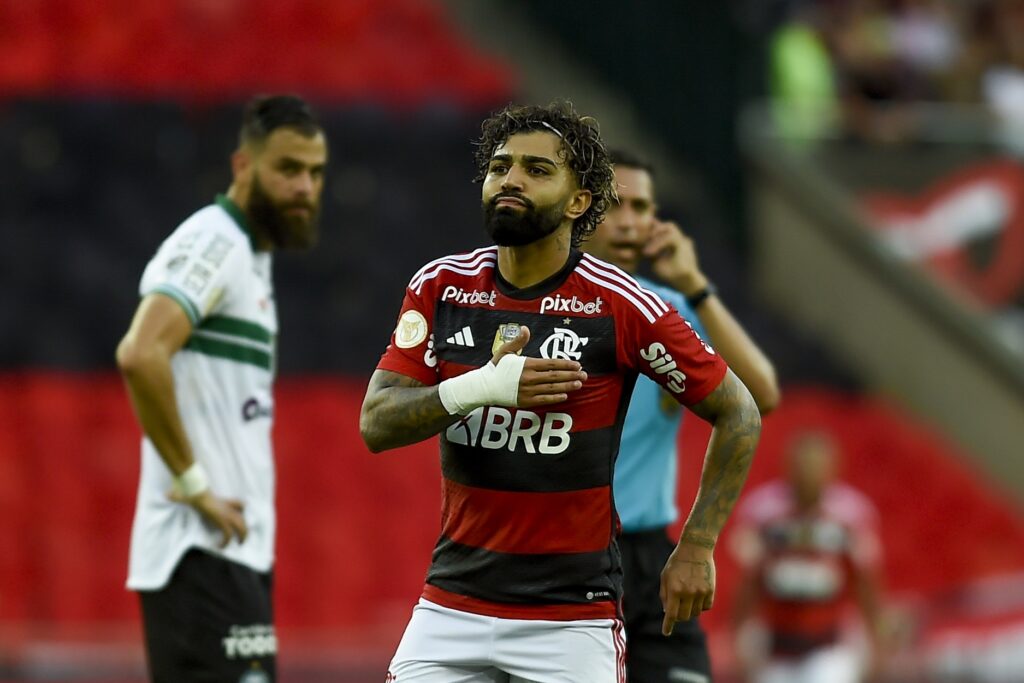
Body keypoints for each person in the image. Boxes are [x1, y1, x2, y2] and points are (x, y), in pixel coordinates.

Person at [360, 101, 762, 683]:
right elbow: (376, 423)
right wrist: (482, 387)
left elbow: (740, 412)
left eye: (537, 169)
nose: (511, 179)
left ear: (579, 202)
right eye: (500, 167)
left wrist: (697, 546)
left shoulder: (621, 304)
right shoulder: (441, 286)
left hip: (571, 621)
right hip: (452, 607)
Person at [116, 95, 327, 683]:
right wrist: (193, 485)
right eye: (288, 169)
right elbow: (140, 353)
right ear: (243, 166)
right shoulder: (214, 244)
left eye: (315, 173)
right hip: (199, 551)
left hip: (231, 550)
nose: (305, 188)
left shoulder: (251, 258)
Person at [582, 149, 781, 683]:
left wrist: (695, 285)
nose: (629, 221)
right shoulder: (549, 308)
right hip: (568, 552)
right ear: (579, 209)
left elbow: (759, 394)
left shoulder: (670, 313)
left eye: (642, 206)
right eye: (614, 205)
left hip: (648, 558)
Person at [730, 432, 884, 683]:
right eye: (803, 467)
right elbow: (749, 579)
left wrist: (876, 638)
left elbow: (866, 582)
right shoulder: (761, 512)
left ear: (833, 470)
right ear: (788, 467)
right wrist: (737, 633)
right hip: (775, 645)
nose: (809, 476)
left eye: (816, 468)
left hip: (829, 646)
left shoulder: (852, 515)